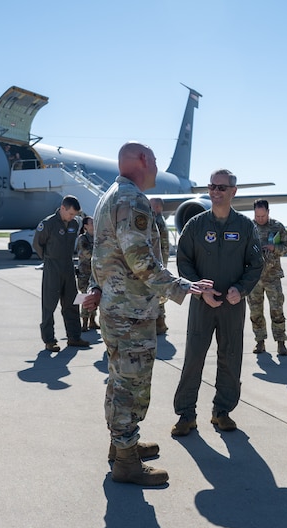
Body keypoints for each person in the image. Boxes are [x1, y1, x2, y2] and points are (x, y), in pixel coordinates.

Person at [80, 143, 212, 486]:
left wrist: (98, 288)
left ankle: (122, 445)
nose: (156, 168)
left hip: (119, 308)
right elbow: (141, 262)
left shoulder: (113, 195)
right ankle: (126, 461)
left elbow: (104, 256)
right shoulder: (131, 199)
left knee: (119, 380)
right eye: (153, 160)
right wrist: (185, 287)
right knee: (131, 385)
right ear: (143, 160)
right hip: (131, 312)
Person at [171, 169, 263, 437]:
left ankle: (222, 412)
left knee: (230, 358)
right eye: (212, 186)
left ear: (233, 191)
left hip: (232, 305)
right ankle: (186, 415)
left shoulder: (245, 226)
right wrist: (199, 290)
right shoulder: (196, 225)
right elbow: (184, 261)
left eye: (222, 187)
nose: (215, 191)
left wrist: (241, 289)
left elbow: (256, 264)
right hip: (202, 304)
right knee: (193, 359)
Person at [33, 195, 91, 352]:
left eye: (75, 215)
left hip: (67, 265)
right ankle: (49, 340)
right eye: (71, 213)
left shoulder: (73, 223)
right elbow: (38, 244)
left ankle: (74, 337)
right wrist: (48, 259)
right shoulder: (48, 223)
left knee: (72, 303)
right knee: (49, 305)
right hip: (52, 266)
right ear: (63, 208)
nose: (72, 217)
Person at [247, 199, 287, 355]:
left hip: (273, 276)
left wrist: (274, 248)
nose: (260, 219)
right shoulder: (249, 227)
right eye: (257, 216)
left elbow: (286, 246)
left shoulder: (277, 226)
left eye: (263, 216)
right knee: (255, 312)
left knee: (277, 310)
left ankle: (281, 342)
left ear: (268, 212)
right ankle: (260, 342)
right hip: (254, 278)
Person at [150, 198, 172, 334]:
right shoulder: (161, 220)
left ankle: (159, 322)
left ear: (157, 207)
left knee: (156, 293)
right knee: (159, 292)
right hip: (161, 261)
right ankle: (160, 322)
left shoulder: (156, 221)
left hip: (157, 262)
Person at [75, 216, 99, 332]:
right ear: (86, 226)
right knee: (85, 297)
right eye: (92, 223)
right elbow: (88, 254)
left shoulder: (97, 238)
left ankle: (92, 321)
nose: (94, 225)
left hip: (94, 272)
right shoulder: (82, 239)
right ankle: (84, 322)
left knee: (94, 295)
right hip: (84, 273)